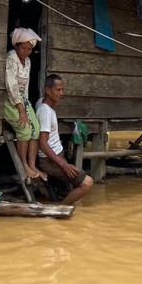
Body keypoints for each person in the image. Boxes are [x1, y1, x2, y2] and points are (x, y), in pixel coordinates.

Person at [35, 74, 94, 205]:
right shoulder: (45, 111)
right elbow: (43, 143)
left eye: (62, 89)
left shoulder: (41, 103)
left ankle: (61, 199)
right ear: (48, 90)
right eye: (58, 90)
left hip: (56, 156)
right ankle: (61, 207)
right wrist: (63, 165)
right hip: (51, 161)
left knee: (70, 187)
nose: (61, 93)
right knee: (87, 183)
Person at [4, 27, 43, 180]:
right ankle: (23, 164)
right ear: (16, 46)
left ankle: (32, 164)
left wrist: (26, 105)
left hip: (22, 99)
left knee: (36, 129)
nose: (26, 51)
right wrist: (20, 109)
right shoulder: (11, 58)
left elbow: (25, 86)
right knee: (24, 130)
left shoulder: (28, 61)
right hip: (10, 99)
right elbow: (11, 85)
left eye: (29, 49)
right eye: (23, 48)